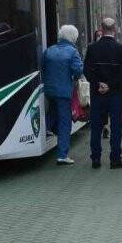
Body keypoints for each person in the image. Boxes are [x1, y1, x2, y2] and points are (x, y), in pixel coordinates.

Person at [83, 18, 122, 169]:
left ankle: (96, 159)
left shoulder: (92, 48)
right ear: (116, 29)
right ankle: (115, 159)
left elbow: (86, 70)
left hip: (97, 94)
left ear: (101, 29)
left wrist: (98, 84)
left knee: (96, 127)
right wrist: (111, 86)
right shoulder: (121, 48)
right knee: (116, 127)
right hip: (116, 94)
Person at [41, 25, 84, 165]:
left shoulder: (49, 50)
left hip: (49, 90)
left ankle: (47, 130)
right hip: (64, 91)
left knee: (52, 113)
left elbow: (42, 67)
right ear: (73, 37)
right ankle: (62, 155)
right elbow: (77, 71)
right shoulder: (73, 52)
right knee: (65, 123)